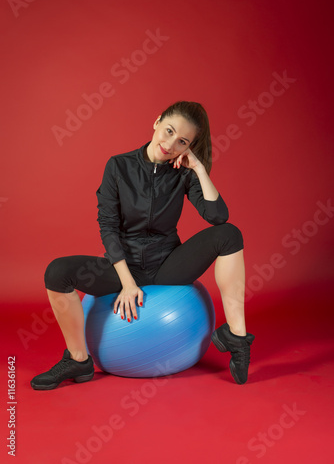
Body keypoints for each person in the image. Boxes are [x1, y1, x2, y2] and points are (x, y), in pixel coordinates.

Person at [30, 100, 255, 390]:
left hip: (168, 265)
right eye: (169, 131)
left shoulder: (184, 172)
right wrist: (127, 282)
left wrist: (198, 168)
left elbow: (217, 216)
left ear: (188, 146)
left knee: (230, 234)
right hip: (123, 266)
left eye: (182, 141)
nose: (170, 143)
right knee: (57, 272)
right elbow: (108, 227)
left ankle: (236, 337)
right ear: (157, 121)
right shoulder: (118, 166)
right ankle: (78, 360)